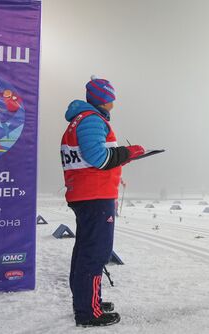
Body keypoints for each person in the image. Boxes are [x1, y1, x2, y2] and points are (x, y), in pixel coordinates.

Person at [60, 76, 145, 327]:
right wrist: (129, 152)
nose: (113, 105)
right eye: (111, 100)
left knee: (85, 250)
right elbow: (98, 158)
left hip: (87, 194)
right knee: (96, 253)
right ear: (103, 99)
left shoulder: (80, 120)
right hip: (94, 196)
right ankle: (88, 312)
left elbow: (93, 157)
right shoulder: (92, 121)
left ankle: (87, 301)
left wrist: (122, 157)